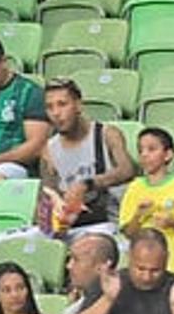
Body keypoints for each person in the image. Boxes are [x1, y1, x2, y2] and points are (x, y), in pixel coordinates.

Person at [39, 79, 132, 237]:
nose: (56, 113)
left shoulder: (106, 134)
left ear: (78, 105)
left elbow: (126, 170)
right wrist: (54, 222)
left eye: (62, 104)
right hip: (73, 227)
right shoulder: (49, 150)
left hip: (109, 225)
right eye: (50, 107)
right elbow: (47, 199)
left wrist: (87, 184)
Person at [115, 129, 174, 278]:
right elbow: (128, 232)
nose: (144, 155)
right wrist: (138, 216)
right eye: (140, 150)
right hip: (142, 268)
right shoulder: (134, 187)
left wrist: (173, 223)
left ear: (168, 155)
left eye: (151, 149)